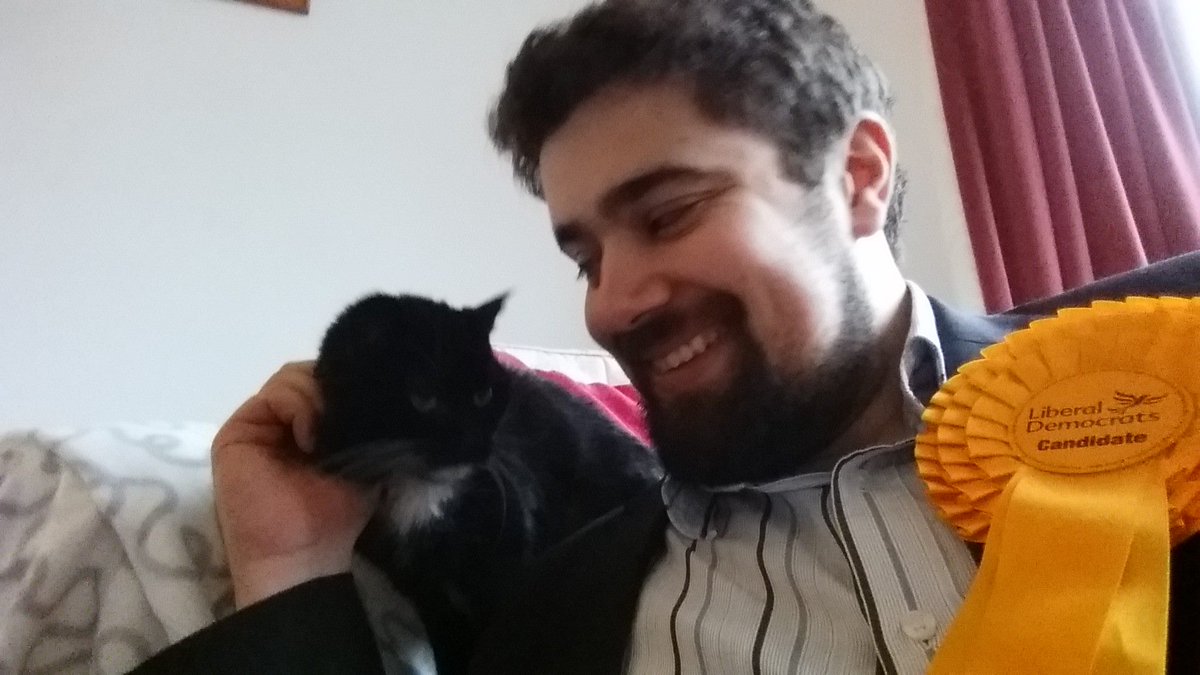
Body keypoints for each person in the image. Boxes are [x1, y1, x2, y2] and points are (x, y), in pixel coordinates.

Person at [132, 0, 1200, 673]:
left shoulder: (1163, 370)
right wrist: (289, 565)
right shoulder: (557, 615)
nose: (612, 304)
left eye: (669, 212)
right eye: (585, 256)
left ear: (859, 176)